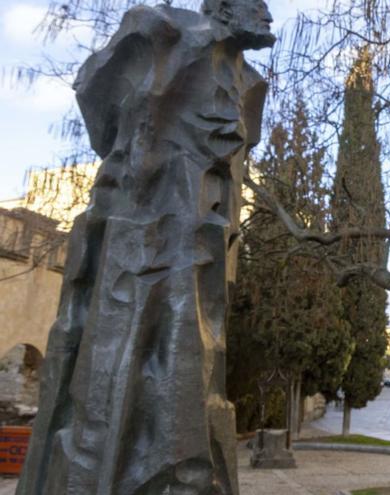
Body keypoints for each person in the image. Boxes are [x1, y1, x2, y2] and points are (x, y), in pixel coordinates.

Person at [17, 1, 275, 494]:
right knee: (117, 359)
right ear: (222, 7)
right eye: (255, 6)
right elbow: (96, 99)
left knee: (189, 360)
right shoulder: (160, 32)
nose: (267, 15)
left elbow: (238, 153)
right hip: (138, 227)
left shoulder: (251, 84)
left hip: (202, 237)